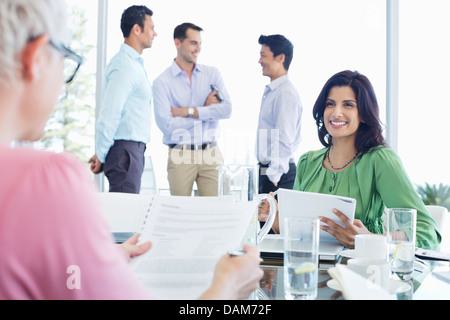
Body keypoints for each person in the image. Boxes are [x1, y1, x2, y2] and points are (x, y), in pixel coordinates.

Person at [0, 0, 263, 300]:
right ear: (35, 59)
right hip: (128, 150)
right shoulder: (47, 178)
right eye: (65, 58)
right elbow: (127, 115)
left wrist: (99, 260)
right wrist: (227, 286)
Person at [259, 70, 441, 250]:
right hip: (311, 270)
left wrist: (369, 239)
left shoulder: (380, 160)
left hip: (364, 270)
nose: (336, 113)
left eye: (348, 105)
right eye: (330, 104)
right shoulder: (308, 162)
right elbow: (297, 235)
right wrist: (274, 219)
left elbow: (427, 232)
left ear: (363, 113)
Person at [153, 22, 231, 197]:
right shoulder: (162, 82)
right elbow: (167, 125)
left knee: (217, 211)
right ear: (177, 43)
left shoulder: (212, 74)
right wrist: (206, 110)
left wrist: (190, 111)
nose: (198, 49)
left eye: (200, 43)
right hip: (180, 154)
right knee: (181, 214)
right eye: (193, 43)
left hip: (211, 152)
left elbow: (227, 109)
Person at [88, 5, 156, 194]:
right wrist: (101, 154)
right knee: (125, 218)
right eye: (151, 28)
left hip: (129, 151)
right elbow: (109, 113)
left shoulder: (132, 64)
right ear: (137, 29)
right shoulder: (125, 66)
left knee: (126, 215)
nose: (155, 33)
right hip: (125, 151)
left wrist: (102, 152)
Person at [256, 35, 303, 194]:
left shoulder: (285, 93)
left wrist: (273, 176)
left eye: (263, 55)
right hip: (268, 169)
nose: (259, 61)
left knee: (275, 219)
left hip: (277, 173)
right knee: (263, 219)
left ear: (280, 58)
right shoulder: (273, 91)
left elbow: (284, 137)